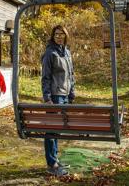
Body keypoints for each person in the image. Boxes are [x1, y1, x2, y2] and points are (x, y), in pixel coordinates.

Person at [41, 25, 75, 177]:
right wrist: (47, 97)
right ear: (53, 36)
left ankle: (55, 159)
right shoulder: (50, 53)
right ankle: (51, 163)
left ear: (66, 36)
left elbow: (71, 74)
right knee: (51, 130)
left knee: (57, 129)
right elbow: (46, 77)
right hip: (55, 96)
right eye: (56, 34)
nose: (59, 36)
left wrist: (72, 93)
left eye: (62, 34)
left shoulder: (66, 52)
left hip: (65, 95)